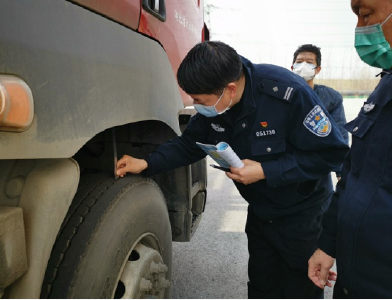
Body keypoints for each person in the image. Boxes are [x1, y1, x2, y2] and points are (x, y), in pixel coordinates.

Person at [116, 41, 349, 298]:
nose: (197, 105)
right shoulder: (215, 104)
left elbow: (332, 154)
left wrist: (266, 170)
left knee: (297, 290)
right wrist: (147, 162)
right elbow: (187, 145)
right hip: (262, 215)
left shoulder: (287, 93)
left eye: (199, 100)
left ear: (230, 89)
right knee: (261, 287)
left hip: (303, 217)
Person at [308, 0, 392, 298]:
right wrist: (328, 244)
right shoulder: (386, 85)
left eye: (367, 15)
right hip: (353, 279)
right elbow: (352, 175)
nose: (360, 29)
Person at [292, 44, 349, 177]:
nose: (303, 66)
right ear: (292, 67)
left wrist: (341, 172)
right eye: (299, 62)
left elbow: (340, 134)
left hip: (318, 166)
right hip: (287, 164)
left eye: (309, 62)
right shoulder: (282, 94)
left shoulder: (330, 97)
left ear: (317, 69)